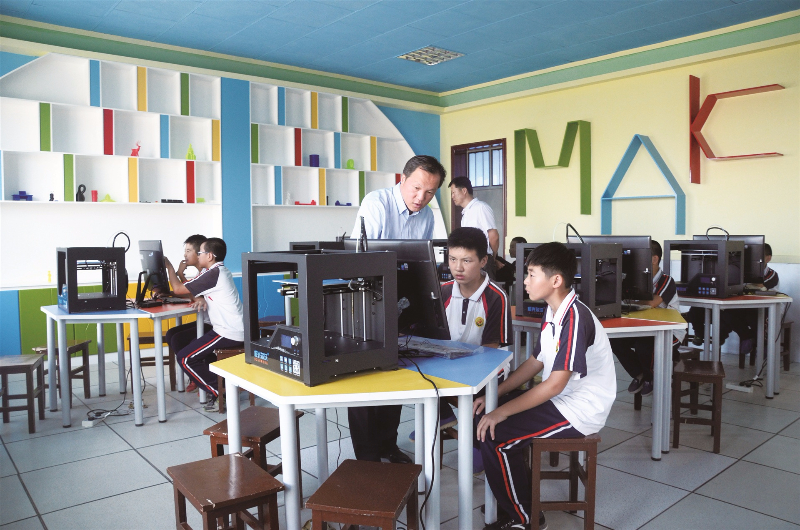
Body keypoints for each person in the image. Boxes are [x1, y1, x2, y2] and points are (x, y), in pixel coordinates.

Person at [473, 242, 616, 530]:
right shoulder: (553, 311)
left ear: (556, 280)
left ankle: (526, 518)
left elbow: (553, 385)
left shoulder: (575, 317)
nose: (524, 281)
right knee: (484, 416)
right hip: (562, 398)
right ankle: (515, 498)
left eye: (531, 274)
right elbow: (536, 361)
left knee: (497, 436)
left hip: (580, 409)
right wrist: (495, 395)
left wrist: (501, 412)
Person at [349, 155, 447, 464]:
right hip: (366, 300)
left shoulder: (427, 216)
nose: (421, 197)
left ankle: (387, 445)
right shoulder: (377, 203)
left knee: (395, 373)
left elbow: (419, 262)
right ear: (402, 180)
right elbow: (361, 259)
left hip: (400, 301)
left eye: (429, 192)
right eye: (416, 188)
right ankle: (367, 459)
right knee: (365, 380)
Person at [409, 227, 513, 442]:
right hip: (450, 363)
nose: (458, 267)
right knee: (418, 374)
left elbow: (491, 351)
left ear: (483, 261)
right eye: (452, 259)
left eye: (466, 261)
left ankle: (448, 425)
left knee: (440, 392)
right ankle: (442, 421)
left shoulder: (496, 297)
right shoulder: (443, 292)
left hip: (488, 367)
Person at [164, 237, 244, 412]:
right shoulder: (215, 271)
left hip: (229, 331)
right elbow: (191, 291)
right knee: (188, 352)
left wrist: (169, 267)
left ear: (209, 256)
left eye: (200, 253)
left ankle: (221, 394)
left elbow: (178, 289)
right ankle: (220, 387)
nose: (198, 256)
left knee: (185, 358)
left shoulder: (214, 274)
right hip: (225, 329)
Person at [610, 240, 686, 396]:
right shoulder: (634, 279)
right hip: (644, 329)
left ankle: (651, 379)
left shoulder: (666, 280)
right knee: (615, 341)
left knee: (643, 346)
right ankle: (639, 374)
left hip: (669, 332)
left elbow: (652, 303)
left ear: (654, 259)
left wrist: (632, 301)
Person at [163, 234, 212, 394]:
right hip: (206, 320)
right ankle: (194, 374)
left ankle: (197, 375)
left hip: (213, 324)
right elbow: (192, 292)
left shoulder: (207, 273)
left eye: (188, 251)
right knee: (171, 334)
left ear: (199, 254)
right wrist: (172, 287)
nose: (185, 255)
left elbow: (183, 291)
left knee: (178, 338)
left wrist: (171, 269)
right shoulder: (201, 273)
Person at [728, 243, 780, 356]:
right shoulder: (742, 272)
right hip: (746, 306)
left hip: (765, 308)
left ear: (768, 258)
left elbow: (761, 286)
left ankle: (764, 344)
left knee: (755, 316)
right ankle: (747, 337)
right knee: (729, 312)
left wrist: (749, 284)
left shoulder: (772, 274)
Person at [449, 176, 500, 279]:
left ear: (464, 191)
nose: (452, 196)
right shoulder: (466, 212)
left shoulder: (481, 208)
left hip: (482, 260)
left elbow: (493, 236)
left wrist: (492, 257)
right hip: (469, 260)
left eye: (454, 192)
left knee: (485, 288)